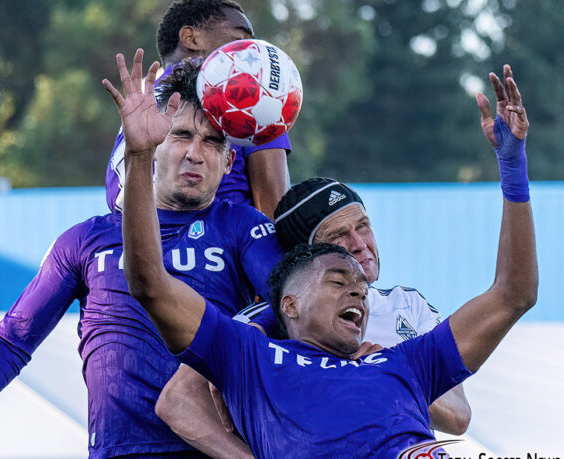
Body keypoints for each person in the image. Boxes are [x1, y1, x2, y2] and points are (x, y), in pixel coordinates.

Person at [118, 58, 537, 458]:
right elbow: (149, 282)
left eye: (358, 286)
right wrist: (139, 156)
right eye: (338, 280)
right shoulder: (251, 353)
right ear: (289, 302)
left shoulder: (404, 359)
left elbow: (513, 294)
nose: (359, 290)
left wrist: (513, 167)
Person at [0, 52, 283, 459]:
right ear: (155, 144)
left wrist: (242, 332)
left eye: (213, 143)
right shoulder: (84, 241)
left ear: (229, 159)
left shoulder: (242, 227)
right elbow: (12, 339)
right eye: (180, 136)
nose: (196, 153)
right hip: (117, 451)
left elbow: (293, 307)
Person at [231, 177, 472, 434]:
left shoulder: (408, 304)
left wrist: (389, 374)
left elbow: (459, 418)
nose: (359, 244)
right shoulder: (262, 324)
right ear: (307, 257)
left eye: (363, 226)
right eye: (338, 236)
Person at [105, 0, 291, 219]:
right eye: (239, 40)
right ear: (190, 38)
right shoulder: (244, 94)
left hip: (138, 243)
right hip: (224, 244)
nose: (249, 52)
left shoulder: (143, 102)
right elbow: (275, 211)